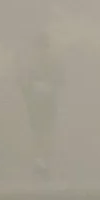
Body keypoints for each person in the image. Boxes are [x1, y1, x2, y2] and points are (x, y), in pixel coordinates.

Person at [17, 32, 65, 179]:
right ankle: (39, 163)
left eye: (43, 46)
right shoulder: (31, 65)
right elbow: (24, 85)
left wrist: (49, 87)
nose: (41, 50)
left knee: (45, 132)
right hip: (36, 103)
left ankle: (44, 163)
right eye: (39, 46)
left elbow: (61, 81)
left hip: (47, 102)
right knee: (38, 133)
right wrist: (30, 93)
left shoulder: (52, 63)